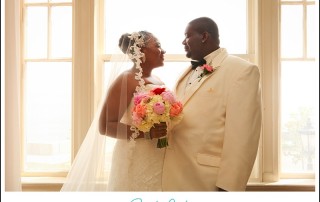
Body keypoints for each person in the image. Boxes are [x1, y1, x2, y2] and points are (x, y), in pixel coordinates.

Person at [162, 17, 262, 191]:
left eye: (187, 36)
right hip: (171, 178)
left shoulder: (241, 71)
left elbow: (243, 135)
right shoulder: (184, 73)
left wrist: (229, 186)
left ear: (204, 36)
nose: (183, 41)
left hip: (206, 180)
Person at [61, 31, 168, 191]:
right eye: (158, 45)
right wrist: (147, 133)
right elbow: (105, 126)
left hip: (157, 157)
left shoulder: (158, 80)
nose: (163, 50)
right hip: (135, 158)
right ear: (142, 50)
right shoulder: (126, 79)